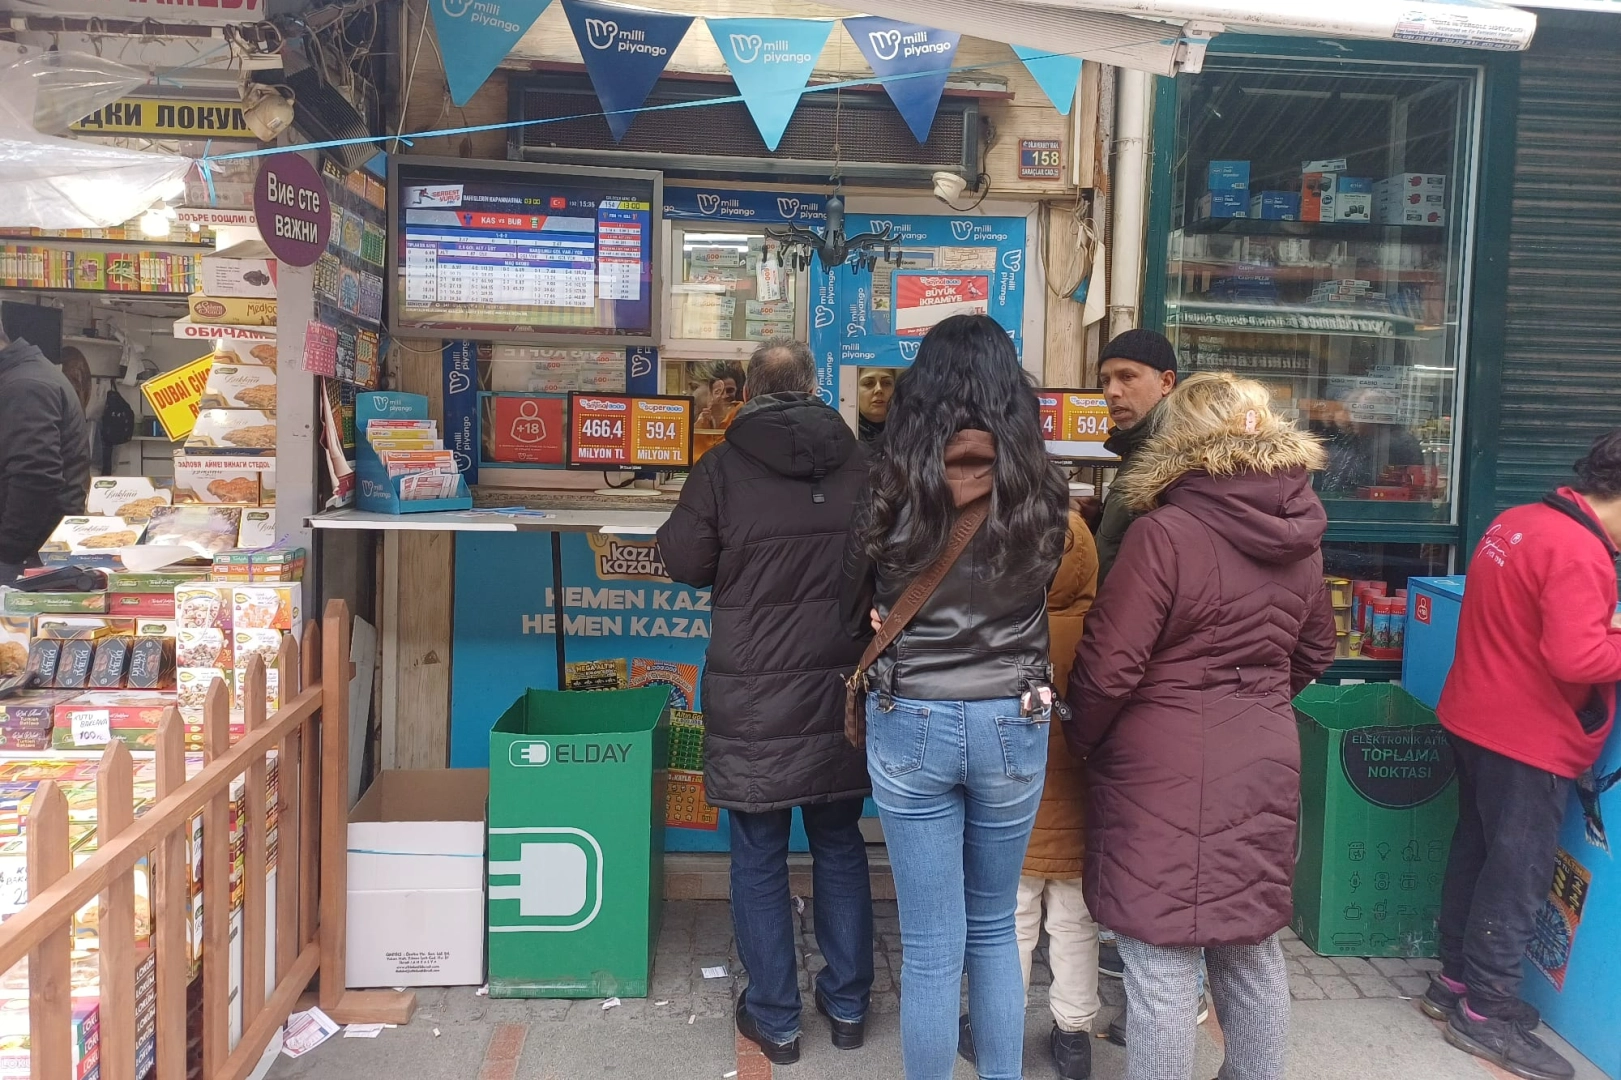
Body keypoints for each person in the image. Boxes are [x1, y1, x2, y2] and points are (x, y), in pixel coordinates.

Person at [1065, 372, 1336, 1080]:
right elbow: (1314, 652)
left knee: (1159, 958)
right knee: (1249, 945)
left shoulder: (1163, 532)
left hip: (1161, 766)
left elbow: (1109, 667)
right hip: (1264, 755)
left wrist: (1082, 739)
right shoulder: (1302, 536)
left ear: (1178, 440)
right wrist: (1256, 702)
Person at [844, 313, 1070, 1080]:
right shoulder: (1041, 484)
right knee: (993, 929)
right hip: (1012, 714)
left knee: (931, 945)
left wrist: (881, 610)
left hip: (910, 712)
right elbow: (1039, 585)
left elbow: (855, 592)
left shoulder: (889, 479)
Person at [656, 338, 873, 1065]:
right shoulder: (862, 465)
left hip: (753, 692)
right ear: (814, 389)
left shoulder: (720, 467)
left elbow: (684, 560)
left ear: (747, 392)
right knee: (839, 840)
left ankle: (776, 1020)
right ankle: (848, 1007)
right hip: (840, 685)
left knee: (757, 852)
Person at [1426, 432, 1621, 1080]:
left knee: (1476, 854)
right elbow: (1577, 658)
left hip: (1474, 716)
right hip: (1525, 737)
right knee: (1516, 877)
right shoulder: (1579, 551)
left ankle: (1454, 982)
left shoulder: (1519, 520)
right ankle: (1484, 1013)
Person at [958, 509, 1102, 1079]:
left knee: (1009, 922)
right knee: (1076, 924)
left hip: (1015, 809)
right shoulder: (1104, 633)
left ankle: (999, 1027)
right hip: (1083, 811)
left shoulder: (1003, 633)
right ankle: (1074, 1037)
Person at [0, 319, 91, 585]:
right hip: (30, 554)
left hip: (24, 559)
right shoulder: (23, 376)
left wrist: (7, 551)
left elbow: (35, 478)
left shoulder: (25, 385)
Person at [1092, 329, 1178, 586]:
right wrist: (1099, 520)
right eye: (1105, 380)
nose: (1112, 392)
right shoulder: (1139, 446)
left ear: (1166, 382)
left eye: (1127, 377)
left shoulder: (1178, 456)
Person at [696, 359, 747, 430]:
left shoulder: (741, 414)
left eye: (730, 390)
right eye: (718, 391)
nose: (724, 396)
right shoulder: (703, 418)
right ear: (710, 394)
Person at [857, 366, 895, 443]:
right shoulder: (846, 433)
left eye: (886, 383)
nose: (879, 389)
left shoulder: (910, 430)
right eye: (868, 383)